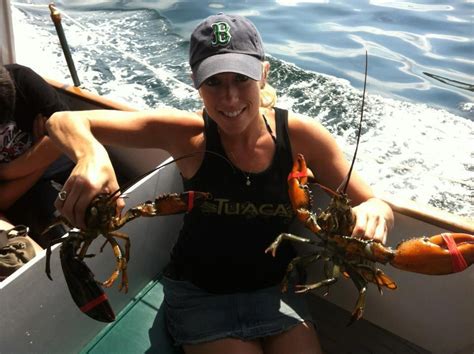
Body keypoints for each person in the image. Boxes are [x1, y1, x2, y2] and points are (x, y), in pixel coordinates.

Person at [46, 13, 394, 354]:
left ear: (263, 74)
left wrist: (374, 211)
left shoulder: (303, 138)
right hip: (201, 293)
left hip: (275, 289)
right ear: (196, 82)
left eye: (241, 78)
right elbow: (64, 120)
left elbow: (374, 204)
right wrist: (92, 155)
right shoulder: (188, 134)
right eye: (213, 82)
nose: (229, 98)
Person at [0, 64, 74, 247]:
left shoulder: (22, 79)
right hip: (22, 192)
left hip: (56, 165)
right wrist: (40, 156)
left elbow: (71, 131)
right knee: (60, 244)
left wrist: (7, 172)